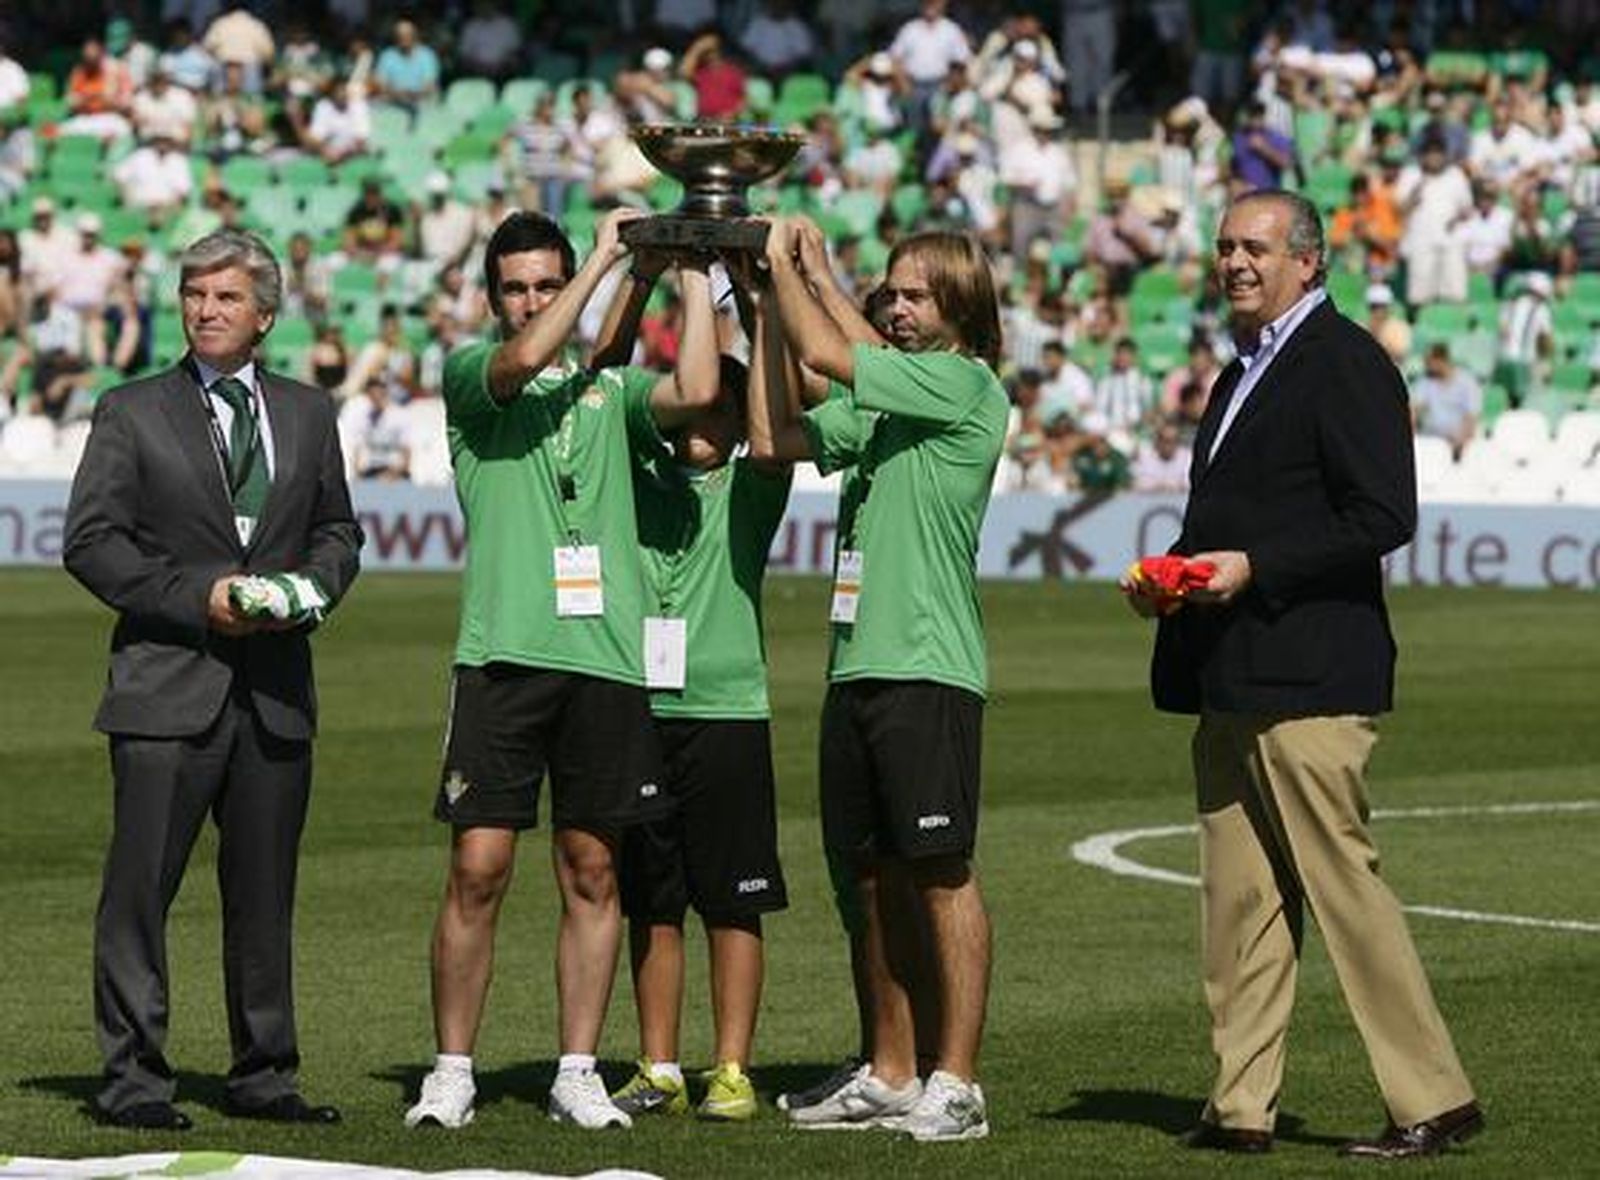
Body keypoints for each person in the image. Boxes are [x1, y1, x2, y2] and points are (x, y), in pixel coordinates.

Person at [1122, 190, 1481, 1159]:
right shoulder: (1240, 368)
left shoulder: (1344, 360)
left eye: (1254, 246)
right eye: (1225, 243)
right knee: (1238, 906)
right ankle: (1241, 1104)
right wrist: (1177, 573)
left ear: (1308, 261)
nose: (1233, 260)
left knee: (1341, 893)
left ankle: (1433, 1098)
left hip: (1311, 675)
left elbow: (1383, 514)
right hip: (1232, 672)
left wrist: (1252, 569)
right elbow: (1232, 516)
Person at [402, 209, 719, 1132]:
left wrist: (692, 268)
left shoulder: (606, 394)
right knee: (478, 867)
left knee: (592, 869)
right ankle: (453, 1066)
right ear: (494, 295)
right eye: (518, 286)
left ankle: (576, 1067)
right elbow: (519, 363)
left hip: (605, 661)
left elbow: (699, 385)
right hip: (502, 656)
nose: (533, 299)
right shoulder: (472, 375)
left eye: (547, 282)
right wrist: (611, 267)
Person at [62, 228, 362, 1131]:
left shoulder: (309, 414)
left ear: (265, 315)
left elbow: (338, 531)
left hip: (275, 695)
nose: (206, 310)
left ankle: (265, 1074)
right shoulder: (131, 410)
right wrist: (203, 598)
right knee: (139, 896)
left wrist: (312, 589)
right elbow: (91, 542)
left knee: (264, 897)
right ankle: (132, 1083)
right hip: (164, 690)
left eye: (227, 298)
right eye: (195, 295)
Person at [757, 219, 1005, 1142]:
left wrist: (797, 268)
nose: (897, 309)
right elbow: (778, 434)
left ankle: (959, 1083)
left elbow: (831, 349)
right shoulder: (887, 402)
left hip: (928, 665)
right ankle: (892, 1071)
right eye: (890, 295)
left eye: (916, 295)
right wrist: (762, 308)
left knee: (941, 874)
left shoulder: (965, 384)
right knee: (866, 880)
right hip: (856, 664)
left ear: (961, 306)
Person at [608, 271, 794, 1123]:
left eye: (720, 408)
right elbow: (611, 380)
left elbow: (767, 423)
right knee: (654, 905)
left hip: (727, 713)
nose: (703, 423)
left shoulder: (755, 488)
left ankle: (730, 1067)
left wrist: (752, 304)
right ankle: (658, 1065)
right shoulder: (640, 478)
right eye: (693, 408)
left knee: (734, 900)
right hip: (643, 712)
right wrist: (670, 279)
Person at [1410, 341, 1481, 460]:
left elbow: (1471, 418)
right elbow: (1414, 411)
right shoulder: (1425, 382)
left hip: (1459, 443)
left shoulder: (1467, 383)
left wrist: (1460, 441)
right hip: (1431, 441)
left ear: (1441, 360)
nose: (1425, 365)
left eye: (1429, 361)